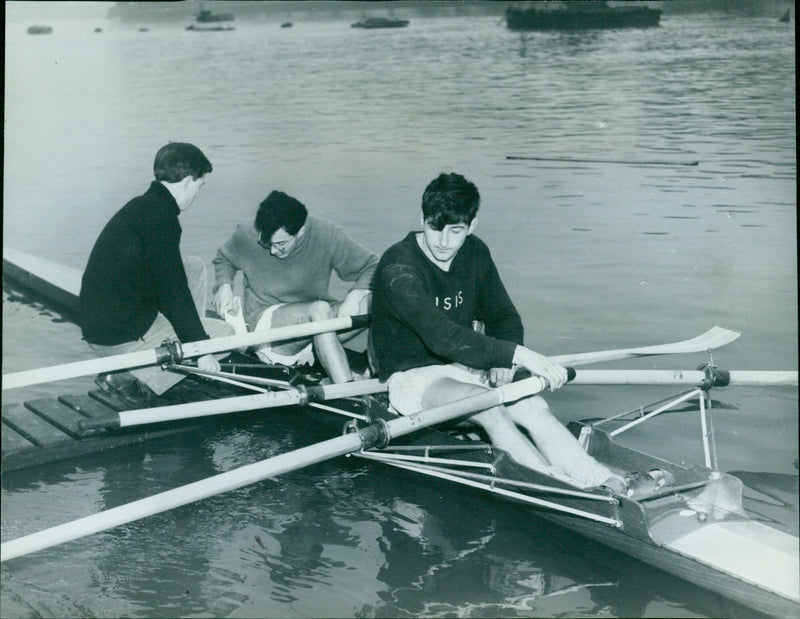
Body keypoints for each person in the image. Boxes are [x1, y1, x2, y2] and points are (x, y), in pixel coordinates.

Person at [370, 172, 627, 493]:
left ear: (472, 225)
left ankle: (600, 480)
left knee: (535, 406)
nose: (444, 242)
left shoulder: (475, 252)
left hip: (462, 367)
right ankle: (556, 487)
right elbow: (441, 336)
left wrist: (504, 360)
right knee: (490, 406)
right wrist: (517, 354)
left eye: (456, 231)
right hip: (410, 377)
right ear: (421, 218)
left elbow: (503, 315)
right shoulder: (398, 266)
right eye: (435, 228)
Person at [79, 142, 234, 405]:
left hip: (101, 322)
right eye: (199, 186)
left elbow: (170, 281)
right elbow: (173, 292)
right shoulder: (161, 219)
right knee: (226, 335)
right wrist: (201, 348)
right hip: (118, 336)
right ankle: (128, 375)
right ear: (187, 181)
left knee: (194, 267)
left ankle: (181, 352)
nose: (197, 193)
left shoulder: (143, 205)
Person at [212, 190, 377, 384]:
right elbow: (224, 258)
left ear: (301, 232)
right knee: (319, 308)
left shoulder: (326, 233)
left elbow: (373, 265)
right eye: (267, 243)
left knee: (377, 301)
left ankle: (376, 375)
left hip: (317, 323)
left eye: (281, 244)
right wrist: (224, 285)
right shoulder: (248, 232)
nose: (273, 250)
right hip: (269, 329)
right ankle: (345, 389)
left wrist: (356, 294)